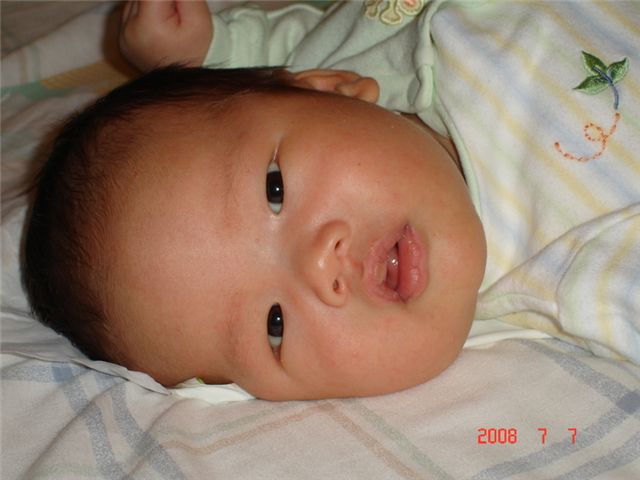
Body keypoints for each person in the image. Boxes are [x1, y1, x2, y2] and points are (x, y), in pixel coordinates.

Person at [24, 0, 640, 401]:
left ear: (334, 86)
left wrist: (209, 47)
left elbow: (296, 59)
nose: (320, 264)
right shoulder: (585, 279)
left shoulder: (387, 43)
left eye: (274, 191)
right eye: (274, 325)